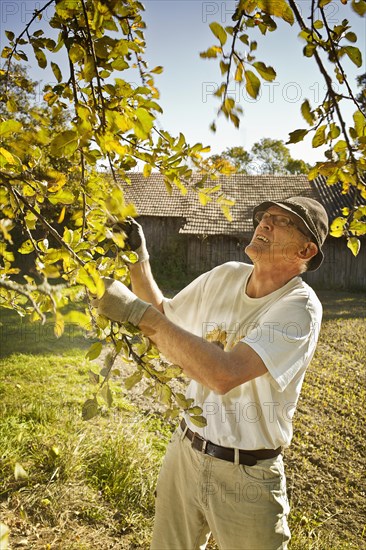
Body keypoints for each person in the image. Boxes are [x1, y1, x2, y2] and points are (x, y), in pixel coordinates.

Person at [93, 196, 329, 550]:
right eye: (265, 216)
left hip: (246, 475)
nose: (264, 223)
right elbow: (166, 317)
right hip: (185, 454)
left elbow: (224, 374)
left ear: (306, 250)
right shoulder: (226, 275)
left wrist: (135, 313)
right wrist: (138, 259)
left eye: (282, 222)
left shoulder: (299, 308)